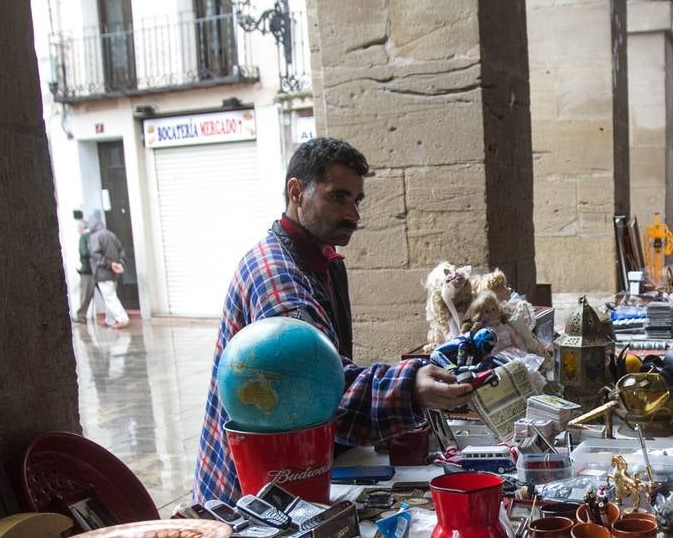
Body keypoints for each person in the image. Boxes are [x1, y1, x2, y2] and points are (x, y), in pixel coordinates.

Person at [195, 137, 472, 504]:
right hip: (252, 494)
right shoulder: (277, 276)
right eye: (338, 197)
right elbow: (317, 387)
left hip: (290, 472)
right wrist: (410, 386)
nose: (353, 214)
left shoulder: (323, 261)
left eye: (356, 201)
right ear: (297, 192)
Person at [85, 209, 130, 328]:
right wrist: (119, 263)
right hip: (114, 273)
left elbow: (95, 255)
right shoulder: (111, 234)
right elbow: (121, 250)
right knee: (109, 296)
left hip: (102, 273)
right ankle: (110, 319)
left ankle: (122, 318)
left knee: (109, 297)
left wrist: (109, 264)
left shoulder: (95, 237)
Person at [72, 210, 96, 324]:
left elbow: (83, 253)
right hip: (97, 269)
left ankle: (81, 316)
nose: (77, 230)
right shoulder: (93, 235)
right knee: (108, 295)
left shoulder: (84, 237)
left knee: (85, 295)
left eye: (77, 227)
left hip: (87, 270)